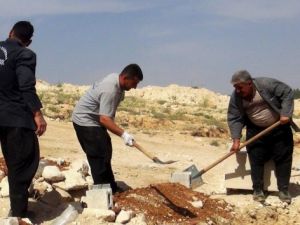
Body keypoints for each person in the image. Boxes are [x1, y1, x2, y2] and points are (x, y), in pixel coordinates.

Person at [227, 70, 298, 204]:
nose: (237, 91)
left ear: (249, 83)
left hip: (279, 128)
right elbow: (234, 117)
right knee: (256, 158)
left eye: (239, 87)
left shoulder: (266, 84)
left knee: (283, 158)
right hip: (255, 130)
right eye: (235, 87)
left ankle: (283, 190)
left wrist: (285, 113)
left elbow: (287, 92)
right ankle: (258, 190)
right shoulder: (236, 97)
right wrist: (236, 140)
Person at [0, 21, 47, 217]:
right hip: (15, 118)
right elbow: (26, 85)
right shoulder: (25, 54)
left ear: (10, 32)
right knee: (24, 162)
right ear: (28, 41)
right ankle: (18, 214)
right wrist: (37, 114)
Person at [72, 64, 143, 193]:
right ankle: (103, 194)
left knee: (106, 150)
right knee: (98, 155)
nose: (135, 87)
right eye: (134, 82)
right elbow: (104, 119)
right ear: (126, 77)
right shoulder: (111, 89)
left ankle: (111, 188)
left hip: (95, 120)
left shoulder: (117, 82)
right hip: (85, 121)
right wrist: (124, 135)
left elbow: (107, 115)